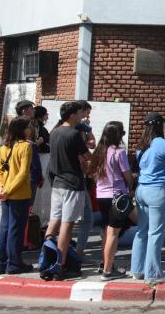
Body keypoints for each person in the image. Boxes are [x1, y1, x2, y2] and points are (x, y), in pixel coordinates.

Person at [43, 101, 91, 280]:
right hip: (72, 183)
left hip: (57, 183)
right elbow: (87, 157)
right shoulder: (73, 134)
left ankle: (47, 258)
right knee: (67, 224)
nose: (81, 116)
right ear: (72, 115)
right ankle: (60, 264)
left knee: (54, 221)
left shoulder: (54, 132)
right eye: (79, 113)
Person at [131, 112, 165, 284]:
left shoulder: (141, 145)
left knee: (142, 231)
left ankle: (137, 269)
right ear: (160, 126)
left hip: (141, 190)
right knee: (156, 233)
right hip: (159, 191)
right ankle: (153, 273)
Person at [91, 121, 134, 281]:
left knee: (106, 232)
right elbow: (127, 174)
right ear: (118, 135)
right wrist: (130, 187)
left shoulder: (99, 152)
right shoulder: (119, 152)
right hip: (116, 196)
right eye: (122, 133)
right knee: (113, 234)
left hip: (101, 195)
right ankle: (108, 271)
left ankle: (105, 264)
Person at [0, 117, 34, 275]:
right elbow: (23, 173)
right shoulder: (25, 146)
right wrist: (8, 190)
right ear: (21, 129)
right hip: (19, 195)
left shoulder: (5, 147)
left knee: (5, 228)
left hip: (5, 194)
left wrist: (1, 188)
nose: (30, 130)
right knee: (15, 230)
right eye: (28, 127)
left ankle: (0, 262)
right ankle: (14, 263)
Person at [73, 100, 96, 258]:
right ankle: (76, 252)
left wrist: (89, 131)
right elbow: (86, 152)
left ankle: (72, 250)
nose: (87, 116)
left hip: (82, 172)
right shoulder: (74, 129)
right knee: (84, 217)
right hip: (77, 173)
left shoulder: (83, 127)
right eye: (85, 113)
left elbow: (91, 142)